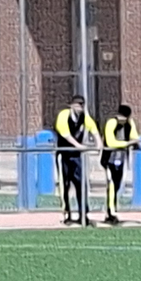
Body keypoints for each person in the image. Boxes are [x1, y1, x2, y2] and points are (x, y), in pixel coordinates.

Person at [54, 95, 100, 225]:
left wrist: (99, 143)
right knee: (65, 184)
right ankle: (67, 214)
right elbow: (65, 134)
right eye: (78, 104)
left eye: (82, 104)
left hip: (76, 156)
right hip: (64, 155)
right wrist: (78, 145)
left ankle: (83, 214)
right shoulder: (64, 115)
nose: (81, 107)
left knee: (81, 184)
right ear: (72, 105)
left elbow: (94, 129)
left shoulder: (84, 117)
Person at [100, 104, 141, 225]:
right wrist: (128, 143)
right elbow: (111, 142)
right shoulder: (111, 123)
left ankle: (111, 208)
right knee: (111, 184)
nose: (122, 120)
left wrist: (135, 142)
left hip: (121, 158)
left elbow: (135, 136)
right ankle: (110, 212)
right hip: (109, 159)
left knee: (118, 184)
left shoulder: (129, 123)